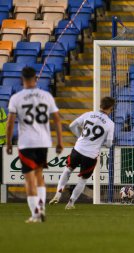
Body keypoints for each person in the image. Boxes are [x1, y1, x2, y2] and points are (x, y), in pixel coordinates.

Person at [6, 67, 63, 223]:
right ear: (35, 79)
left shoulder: (16, 98)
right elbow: (57, 119)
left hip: (26, 143)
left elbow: (10, 123)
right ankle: (42, 207)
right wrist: (60, 141)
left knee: (29, 179)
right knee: (39, 175)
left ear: (21, 79)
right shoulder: (46, 96)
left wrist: (9, 142)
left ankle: (36, 214)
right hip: (44, 142)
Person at [49, 97, 115, 209]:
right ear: (111, 109)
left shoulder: (88, 114)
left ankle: (58, 193)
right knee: (83, 180)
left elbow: (71, 126)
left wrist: (79, 136)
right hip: (90, 155)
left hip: (78, 149)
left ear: (100, 105)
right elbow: (109, 144)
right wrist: (101, 142)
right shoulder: (110, 123)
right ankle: (70, 203)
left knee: (67, 169)